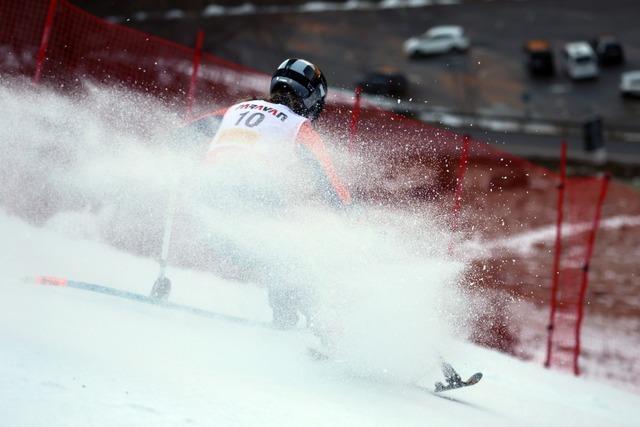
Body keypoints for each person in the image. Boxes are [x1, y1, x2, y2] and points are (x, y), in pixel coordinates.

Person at [154, 58, 351, 329]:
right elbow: (328, 180)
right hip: (250, 199)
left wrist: (171, 160)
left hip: (208, 204)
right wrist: (349, 213)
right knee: (292, 256)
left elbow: (184, 135)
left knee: (280, 253)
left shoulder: (236, 109)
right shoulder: (297, 126)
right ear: (311, 97)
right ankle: (316, 326)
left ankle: (290, 318)